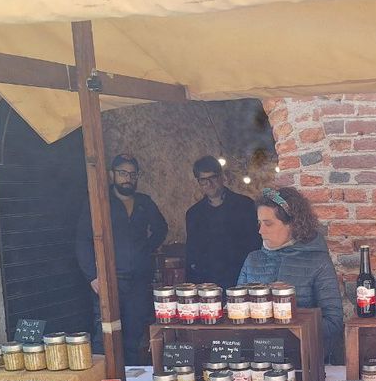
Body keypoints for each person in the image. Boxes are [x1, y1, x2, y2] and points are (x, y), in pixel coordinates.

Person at [75, 154, 168, 364]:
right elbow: (82, 239)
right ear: (112, 175)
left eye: (133, 174)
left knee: (134, 337)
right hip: (109, 280)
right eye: (123, 173)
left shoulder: (144, 202)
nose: (128, 178)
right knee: (105, 336)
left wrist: (146, 248)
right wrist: (92, 276)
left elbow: (161, 228)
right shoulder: (99, 202)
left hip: (138, 282)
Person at [238, 186, 344, 363]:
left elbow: (333, 323)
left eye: (268, 223)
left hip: (303, 361)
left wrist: (289, 312)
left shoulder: (318, 262)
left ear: (293, 224)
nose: (260, 231)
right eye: (259, 223)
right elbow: (237, 315)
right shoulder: (252, 260)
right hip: (257, 361)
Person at [184, 155, 261, 288]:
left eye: (212, 177)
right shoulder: (194, 214)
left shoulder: (245, 205)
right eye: (203, 180)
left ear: (221, 177)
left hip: (241, 278)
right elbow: (192, 253)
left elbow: (256, 244)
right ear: (198, 182)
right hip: (208, 282)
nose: (209, 184)